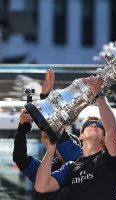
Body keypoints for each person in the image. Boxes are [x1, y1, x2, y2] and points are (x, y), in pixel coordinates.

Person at [34, 75, 116, 200]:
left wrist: (99, 95)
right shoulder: (72, 166)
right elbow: (42, 187)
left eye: (99, 125)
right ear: (81, 136)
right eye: (88, 124)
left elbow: (112, 129)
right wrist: (50, 151)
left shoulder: (109, 159)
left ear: (104, 138)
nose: (93, 125)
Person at [13, 68, 82, 200]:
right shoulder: (47, 167)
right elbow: (20, 158)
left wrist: (45, 97)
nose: (57, 146)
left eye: (60, 145)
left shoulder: (82, 164)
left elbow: (59, 134)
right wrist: (22, 129)